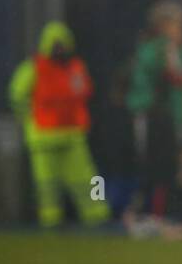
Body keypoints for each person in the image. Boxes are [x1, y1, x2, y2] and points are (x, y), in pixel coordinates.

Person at [124, 1, 182, 237]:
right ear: (164, 26)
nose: (180, 29)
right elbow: (173, 76)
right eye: (177, 25)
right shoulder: (159, 47)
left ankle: (160, 218)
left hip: (162, 116)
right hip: (151, 114)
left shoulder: (167, 48)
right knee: (156, 166)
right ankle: (142, 218)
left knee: (168, 168)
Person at [7, 21, 110, 228]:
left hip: (72, 134)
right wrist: (29, 117)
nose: (59, 49)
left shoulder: (75, 68)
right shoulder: (34, 68)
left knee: (86, 179)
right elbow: (17, 95)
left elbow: (84, 93)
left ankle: (97, 216)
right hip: (44, 136)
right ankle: (50, 220)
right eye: (56, 45)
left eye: (62, 44)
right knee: (47, 184)